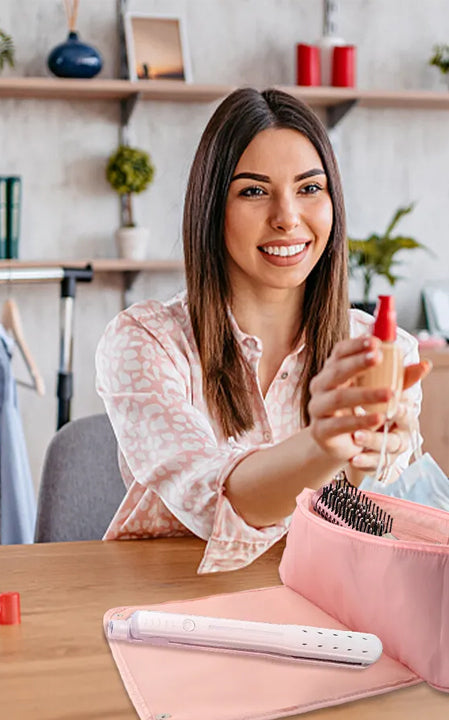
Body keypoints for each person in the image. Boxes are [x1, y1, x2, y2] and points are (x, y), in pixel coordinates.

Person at [96, 87, 429, 573]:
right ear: (213, 207)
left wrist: (375, 460)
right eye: (253, 191)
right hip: (173, 598)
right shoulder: (146, 342)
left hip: (326, 595)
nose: (287, 218)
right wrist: (322, 444)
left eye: (309, 189)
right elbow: (215, 500)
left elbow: (383, 527)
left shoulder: (381, 349)